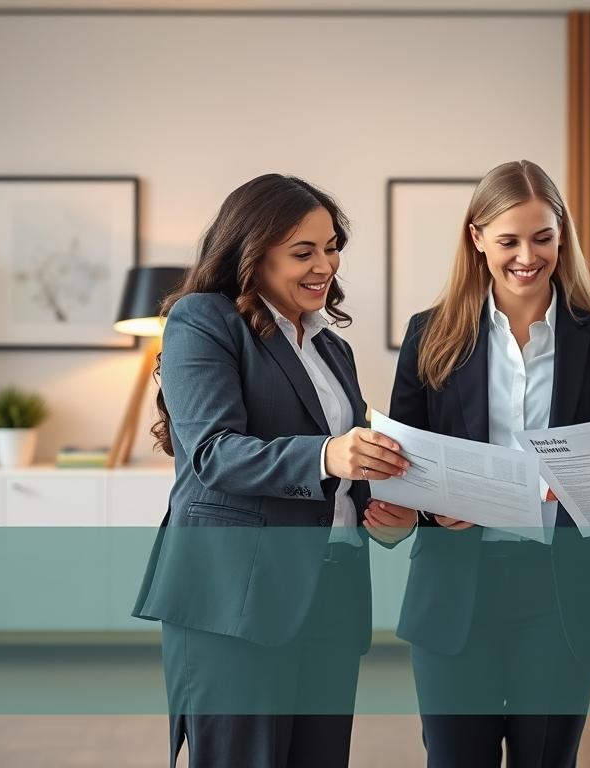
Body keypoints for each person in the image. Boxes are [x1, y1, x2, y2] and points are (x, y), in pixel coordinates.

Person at [131, 173, 417, 767]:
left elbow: (344, 478)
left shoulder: (330, 347)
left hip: (331, 592)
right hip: (236, 598)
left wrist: (381, 515)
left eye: (332, 246)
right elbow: (213, 452)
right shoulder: (203, 320)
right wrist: (327, 454)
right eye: (303, 251)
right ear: (252, 253)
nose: (325, 265)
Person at [380, 159, 590, 767]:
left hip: (561, 596)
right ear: (477, 239)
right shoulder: (430, 336)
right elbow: (400, 467)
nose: (527, 256)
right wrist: (435, 513)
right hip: (454, 592)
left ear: (562, 235)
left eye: (542, 237)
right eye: (509, 240)